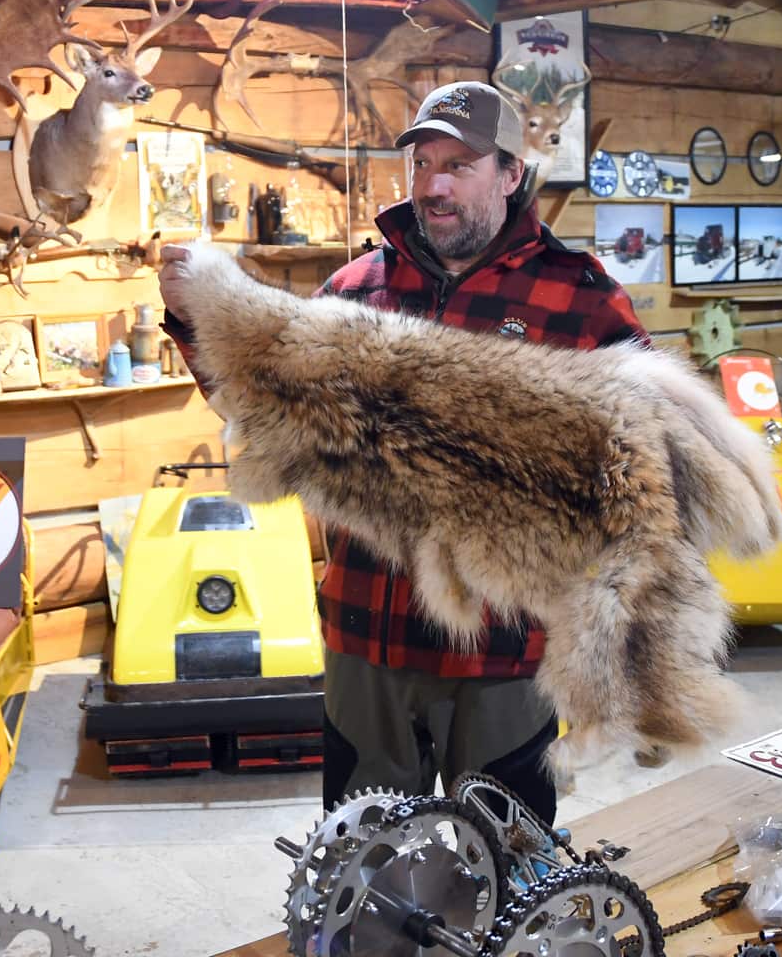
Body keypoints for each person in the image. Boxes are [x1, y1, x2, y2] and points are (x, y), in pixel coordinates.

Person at [159, 81, 646, 824]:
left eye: (459, 165)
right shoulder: (355, 290)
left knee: (507, 871)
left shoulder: (578, 300)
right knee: (365, 870)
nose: (434, 185)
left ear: (511, 174)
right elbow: (261, 411)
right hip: (366, 643)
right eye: (423, 164)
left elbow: (644, 466)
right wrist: (194, 321)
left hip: (501, 654)